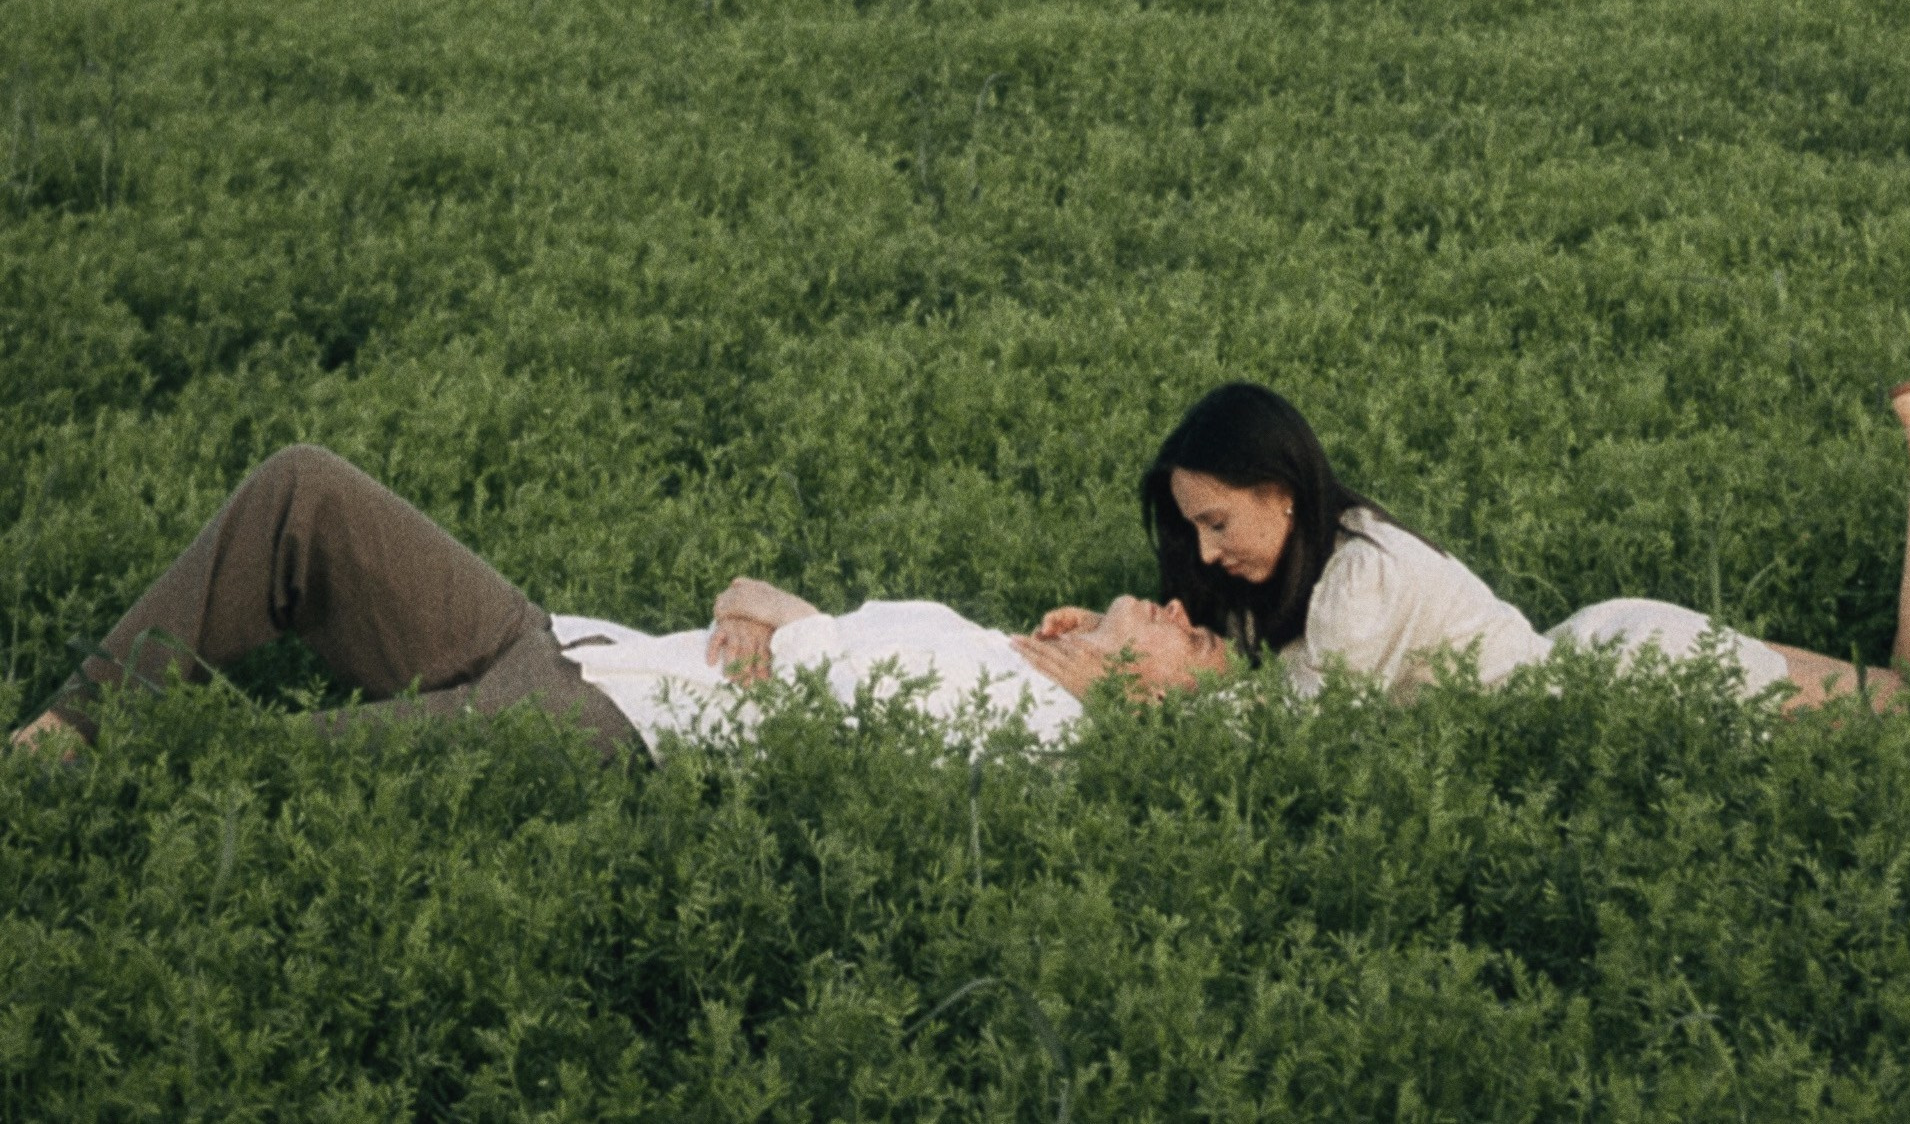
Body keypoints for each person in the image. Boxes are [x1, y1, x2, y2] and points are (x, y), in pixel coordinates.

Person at [1091, 343, 1910, 711]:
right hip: (1614, 655)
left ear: (1283, 487)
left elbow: (1293, 743)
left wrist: (1128, 676)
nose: (1205, 552)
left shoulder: (1356, 582)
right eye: (1191, 532)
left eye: (1218, 521)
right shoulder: (1296, 578)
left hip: (1636, 678)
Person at [6, 446, 1225, 761]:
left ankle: (101, 792)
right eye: (1182, 607)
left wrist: (776, 613)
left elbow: (837, 694)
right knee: (305, 493)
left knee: (266, 769)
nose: (1183, 608)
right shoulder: (984, 643)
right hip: (572, 646)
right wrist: (761, 601)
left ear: (1160, 704)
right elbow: (787, 620)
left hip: (611, 738)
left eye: (1199, 641)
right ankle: (66, 729)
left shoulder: (1050, 742)